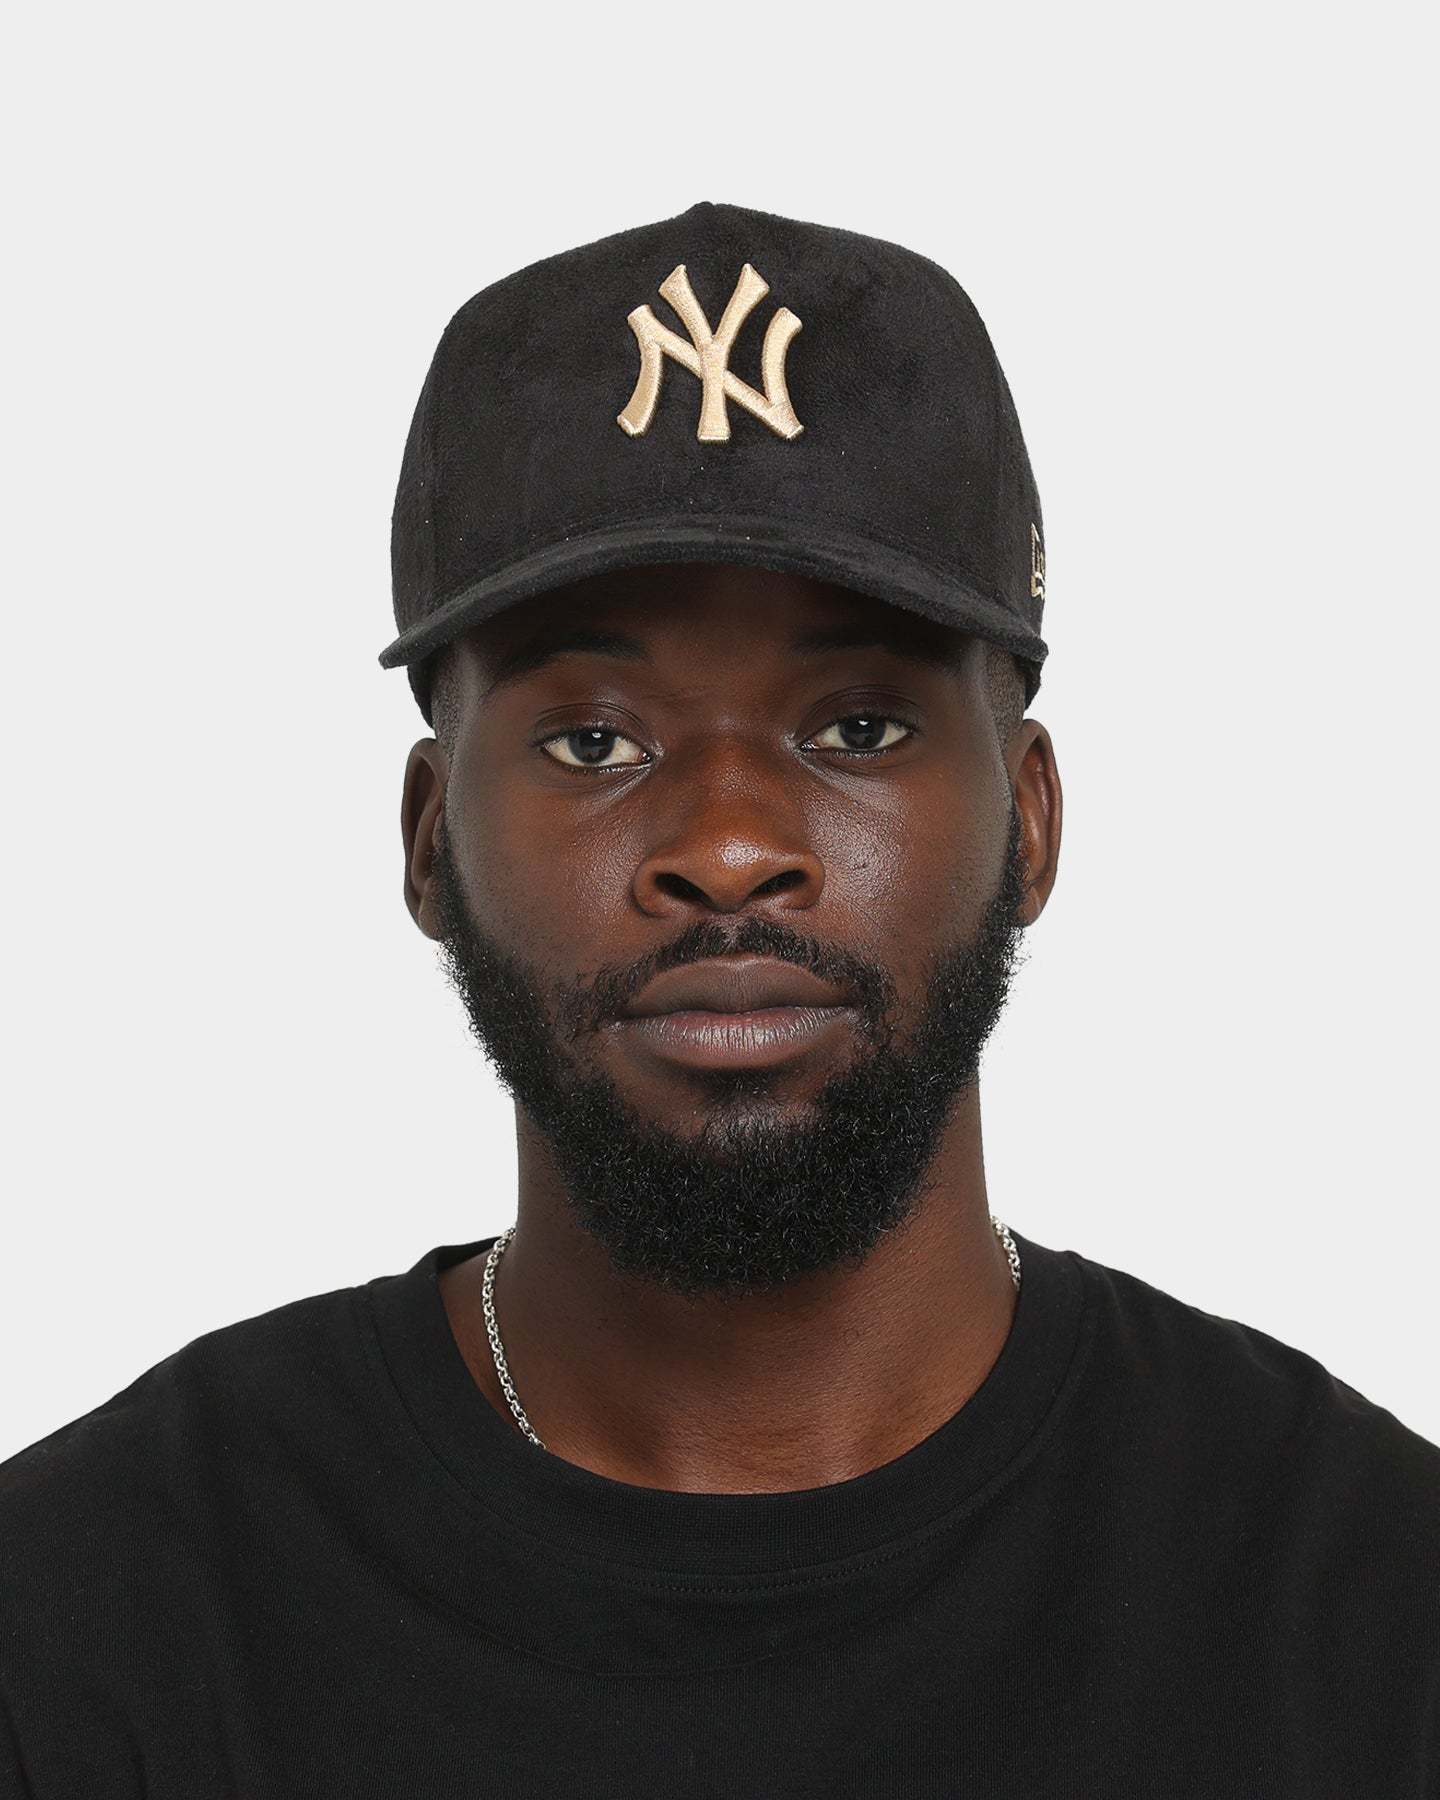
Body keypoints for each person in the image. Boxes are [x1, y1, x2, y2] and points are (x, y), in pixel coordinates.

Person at [1, 201, 1435, 1798]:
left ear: (1030, 821)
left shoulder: (1369, 1608)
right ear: (428, 843)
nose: (731, 846)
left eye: (860, 728)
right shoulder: (94, 1618)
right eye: (594, 742)